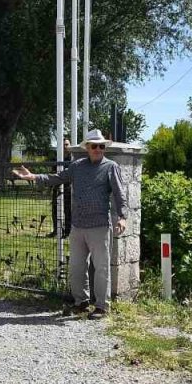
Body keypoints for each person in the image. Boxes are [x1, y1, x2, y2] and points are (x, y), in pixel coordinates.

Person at [13, 129, 126, 319]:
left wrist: (122, 217)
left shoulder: (111, 167)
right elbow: (56, 179)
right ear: (87, 148)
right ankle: (81, 302)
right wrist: (33, 177)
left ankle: (101, 306)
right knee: (76, 267)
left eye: (101, 146)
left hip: (99, 225)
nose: (98, 149)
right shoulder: (77, 166)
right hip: (78, 226)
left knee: (101, 268)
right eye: (94, 146)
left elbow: (119, 194)